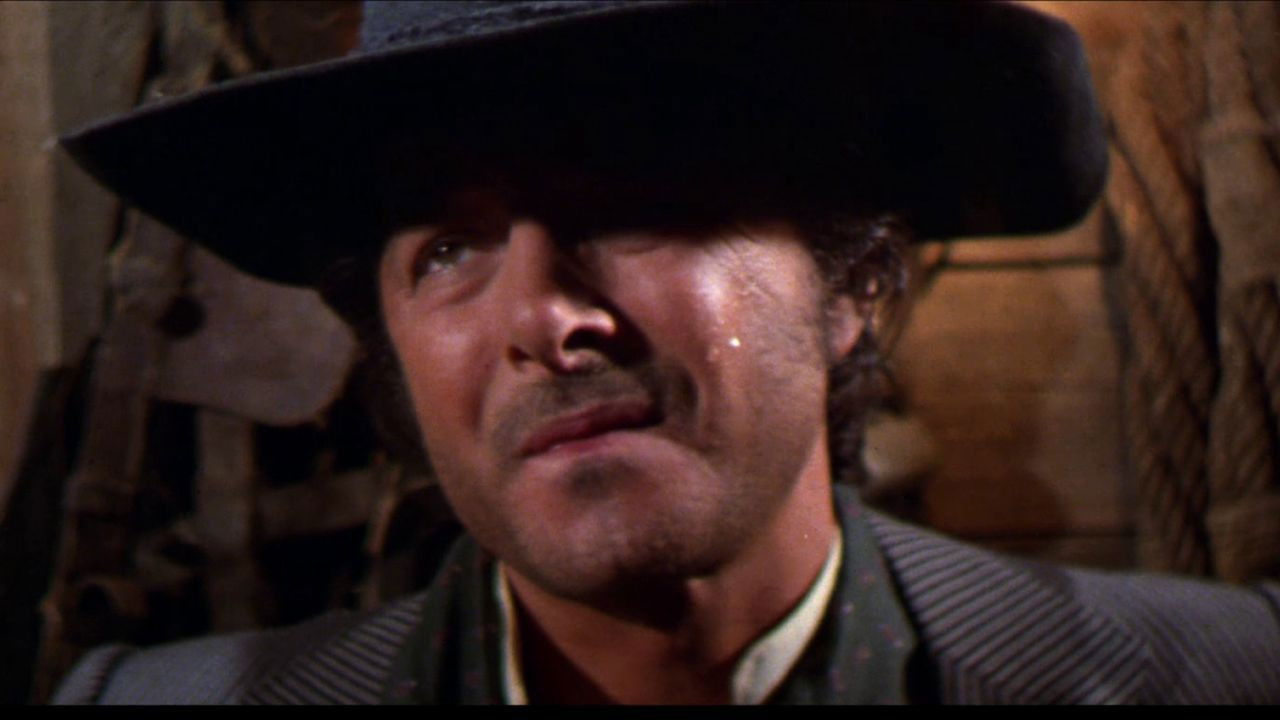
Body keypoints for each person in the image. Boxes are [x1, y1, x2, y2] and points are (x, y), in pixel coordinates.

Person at [50, 1, 1280, 704]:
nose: (544, 317)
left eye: (633, 208)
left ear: (847, 284)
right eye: (447, 252)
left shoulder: (1213, 679)